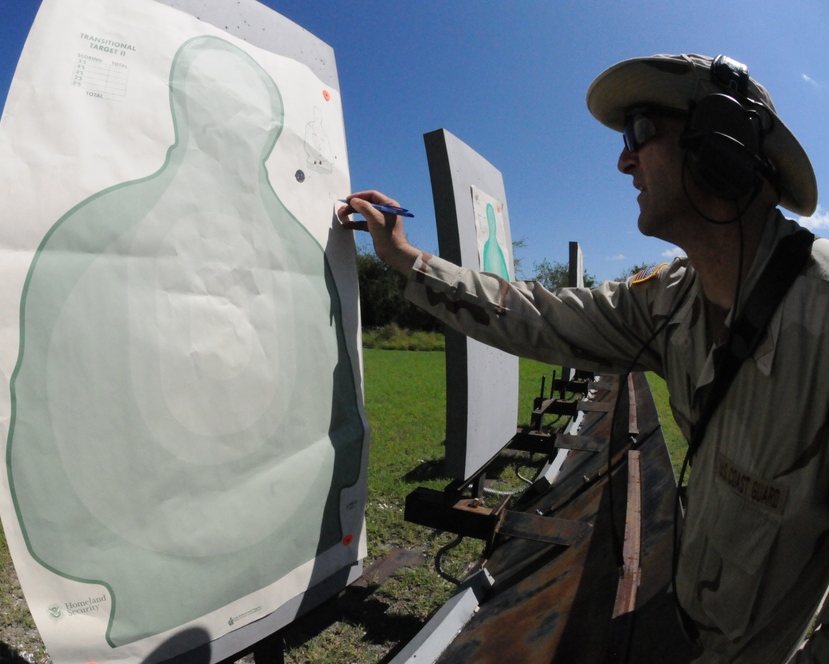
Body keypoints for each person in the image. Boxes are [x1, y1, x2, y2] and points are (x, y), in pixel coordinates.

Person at [339, 54, 826, 663]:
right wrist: (407, 260)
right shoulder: (671, 301)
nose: (624, 160)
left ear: (719, 145)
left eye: (639, 132)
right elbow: (537, 315)